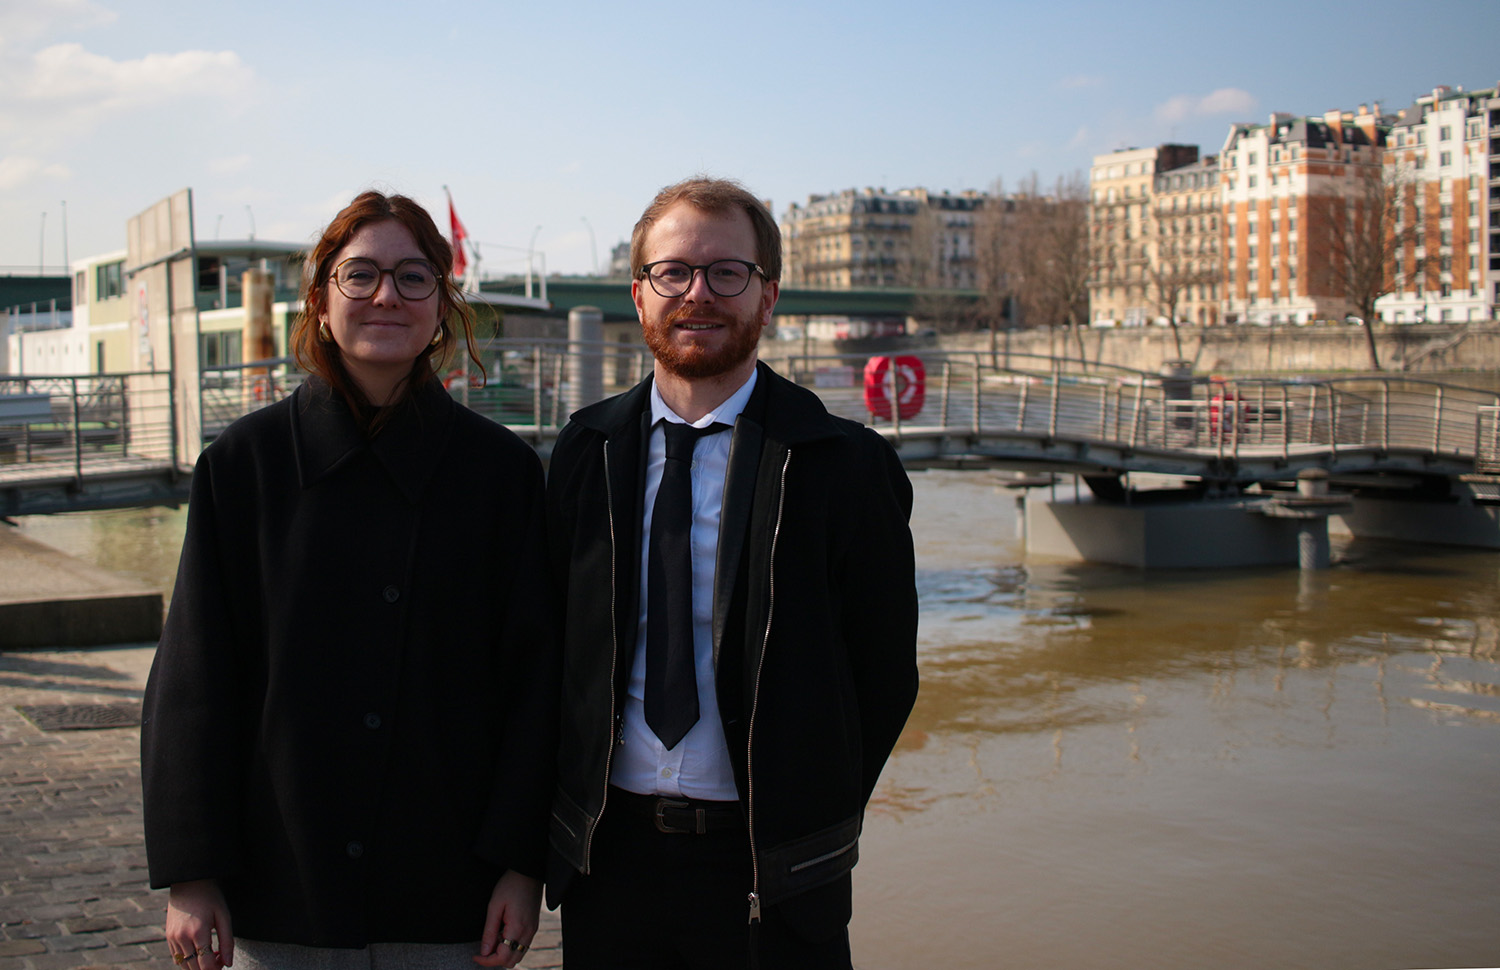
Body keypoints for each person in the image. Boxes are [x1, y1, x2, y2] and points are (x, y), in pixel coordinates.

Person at [141, 191, 556, 970]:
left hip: (449, 886)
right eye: (359, 275)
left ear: (442, 303)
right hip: (281, 885)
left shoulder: (501, 475)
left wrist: (522, 861)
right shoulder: (244, 467)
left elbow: (533, 682)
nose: (386, 296)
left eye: (412, 277)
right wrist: (191, 873)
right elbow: (196, 678)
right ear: (321, 300)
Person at [545, 176, 919, 968]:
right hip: (609, 867)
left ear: (768, 294)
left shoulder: (843, 465)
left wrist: (807, 813)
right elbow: (553, 657)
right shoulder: (586, 453)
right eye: (673, 272)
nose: (699, 294)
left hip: (773, 878)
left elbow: (885, 675)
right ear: (639, 295)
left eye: (727, 273)